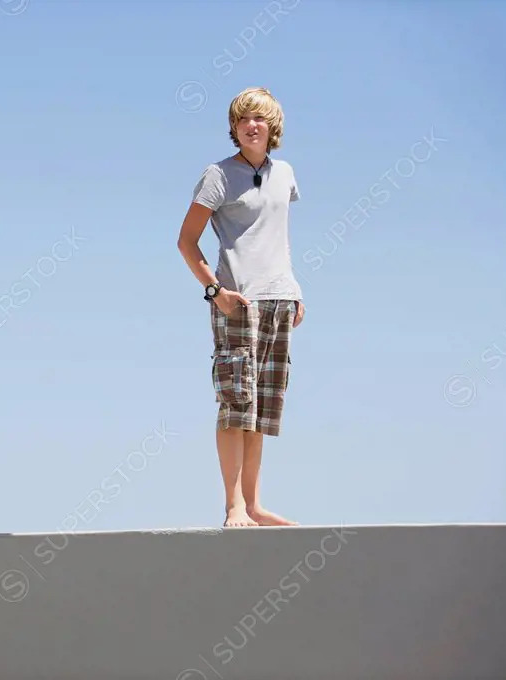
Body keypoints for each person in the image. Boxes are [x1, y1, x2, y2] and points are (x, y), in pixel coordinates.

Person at [176, 87, 304, 528]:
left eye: (260, 119)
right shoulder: (217, 175)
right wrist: (216, 293)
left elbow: (277, 236)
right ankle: (232, 506)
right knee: (235, 402)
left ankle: (253, 504)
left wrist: (295, 289)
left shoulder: (285, 173)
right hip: (238, 302)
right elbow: (186, 241)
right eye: (243, 119)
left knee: (261, 408)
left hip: (279, 298)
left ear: (273, 127)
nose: (252, 126)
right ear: (234, 128)